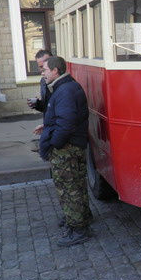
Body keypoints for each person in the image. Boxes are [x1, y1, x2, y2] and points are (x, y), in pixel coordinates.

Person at [38, 56, 93, 247]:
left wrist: (54, 144)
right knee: (76, 186)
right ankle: (79, 219)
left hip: (67, 148)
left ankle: (78, 228)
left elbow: (66, 123)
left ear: (55, 71)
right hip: (71, 145)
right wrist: (46, 126)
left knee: (69, 188)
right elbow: (62, 118)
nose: (42, 73)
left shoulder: (65, 90)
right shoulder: (65, 87)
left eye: (44, 70)